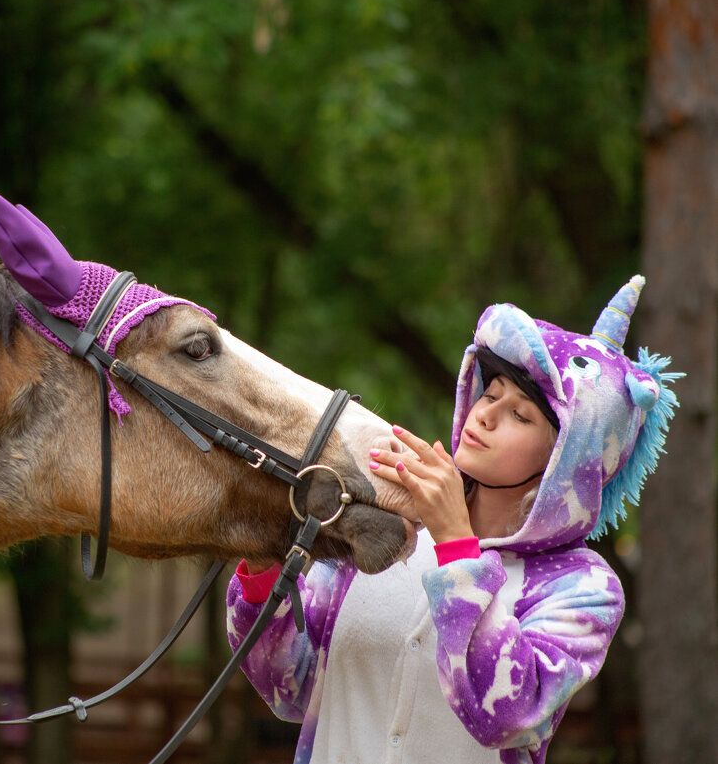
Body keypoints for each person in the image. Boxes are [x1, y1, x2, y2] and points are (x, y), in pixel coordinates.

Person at [226, 276, 681, 764]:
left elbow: (506, 715)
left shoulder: (584, 587)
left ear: (566, 460)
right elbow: (290, 687)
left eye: (520, 415)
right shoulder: (387, 522)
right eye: (491, 394)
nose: (485, 415)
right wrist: (261, 562)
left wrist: (454, 544)